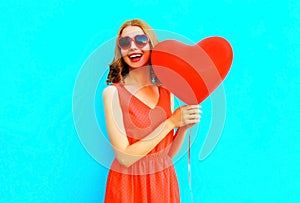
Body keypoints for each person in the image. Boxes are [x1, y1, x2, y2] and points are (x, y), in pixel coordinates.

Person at [103, 19, 201, 203]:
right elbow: (124, 157)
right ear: (120, 50)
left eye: (140, 40)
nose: (133, 47)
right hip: (129, 184)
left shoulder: (167, 92)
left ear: (151, 45)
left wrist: (184, 126)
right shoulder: (113, 93)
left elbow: (167, 155)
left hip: (162, 180)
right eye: (125, 42)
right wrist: (171, 122)